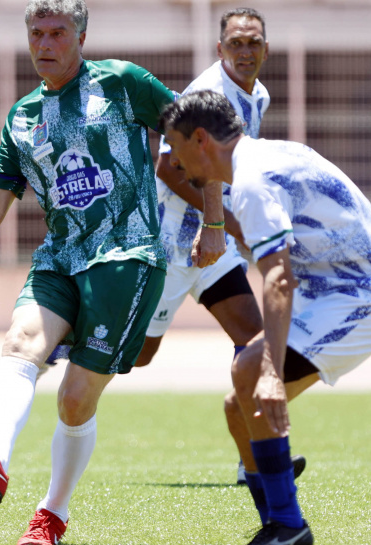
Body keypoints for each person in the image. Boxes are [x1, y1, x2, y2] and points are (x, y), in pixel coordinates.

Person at [0, 0, 224, 545]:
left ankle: (51, 513)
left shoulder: (124, 82)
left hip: (127, 256)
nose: (46, 42)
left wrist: (214, 222)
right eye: (37, 32)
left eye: (58, 32)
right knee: (20, 344)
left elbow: (199, 139)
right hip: (59, 257)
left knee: (75, 400)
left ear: (82, 36)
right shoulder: (22, 117)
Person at [160, 90, 371, 545]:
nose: (174, 163)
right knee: (237, 406)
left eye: (175, 148)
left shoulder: (255, 182)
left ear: (200, 140)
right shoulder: (262, 157)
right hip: (332, 287)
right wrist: (219, 227)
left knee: (251, 373)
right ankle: (279, 530)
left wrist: (273, 375)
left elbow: (278, 279)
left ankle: (286, 526)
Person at [131, 6, 305, 509]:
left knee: (255, 343)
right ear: (219, 49)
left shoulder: (260, 95)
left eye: (254, 43)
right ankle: (66, 336)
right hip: (170, 246)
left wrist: (235, 228)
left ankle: (253, 454)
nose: (246, 52)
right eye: (236, 44)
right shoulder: (204, 96)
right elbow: (168, 167)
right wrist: (225, 223)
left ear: (266, 48)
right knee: (137, 356)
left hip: (215, 247)